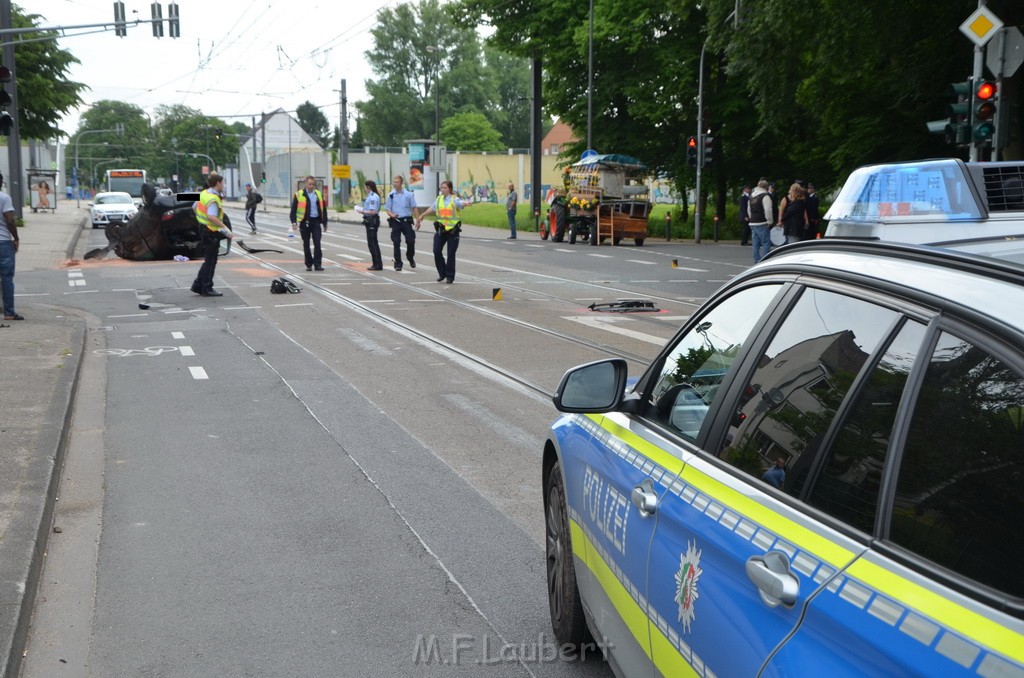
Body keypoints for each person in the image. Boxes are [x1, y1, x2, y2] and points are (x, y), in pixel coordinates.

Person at [415, 180, 471, 284]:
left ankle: (450, 276)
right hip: (441, 230)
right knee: (436, 250)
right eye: (441, 187)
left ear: (450, 189)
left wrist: (465, 203)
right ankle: (442, 273)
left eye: (445, 188)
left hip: (452, 231)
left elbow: (460, 203)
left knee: (451, 253)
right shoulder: (439, 199)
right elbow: (432, 209)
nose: (443, 189)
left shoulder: (454, 199)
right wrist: (422, 215)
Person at [190, 173, 233, 297]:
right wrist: (224, 227)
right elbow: (211, 216)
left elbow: (194, 207)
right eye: (223, 182)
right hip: (211, 232)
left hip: (204, 229)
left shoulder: (204, 194)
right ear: (218, 183)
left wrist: (201, 221)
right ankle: (206, 287)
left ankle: (198, 284)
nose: (223, 185)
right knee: (211, 261)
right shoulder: (213, 199)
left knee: (208, 260)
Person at [290, 176, 328, 271]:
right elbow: (293, 210)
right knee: (306, 244)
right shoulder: (299, 194)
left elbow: (323, 209)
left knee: (317, 243)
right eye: (310, 184)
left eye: (313, 184)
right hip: (304, 222)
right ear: (306, 184)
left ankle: (318, 264)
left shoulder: (318, 194)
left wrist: (325, 223)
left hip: (316, 222)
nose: (311, 186)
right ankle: (309, 264)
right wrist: (294, 222)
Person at [0, 173, 21, 321]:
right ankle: (9, 313)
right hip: (3, 242)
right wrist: (16, 238)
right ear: (1, 182)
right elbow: (10, 221)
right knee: (6, 278)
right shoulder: (4, 198)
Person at [384, 175, 417, 271]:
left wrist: (418, 220)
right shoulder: (391, 195)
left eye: (397, 182)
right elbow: (388, 209)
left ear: (401, 183)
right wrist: (392, 215)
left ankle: (410, 257)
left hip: (406, 221)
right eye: (394, 182)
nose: (395, 184)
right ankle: (398, 263)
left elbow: (414, 207)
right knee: (396, 242)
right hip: (396, 221)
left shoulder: (408, 194)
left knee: (411, 241)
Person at [359, 180, 383, 270]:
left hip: (372, 221)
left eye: (365, 187)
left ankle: (377, 264)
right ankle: (376, 263)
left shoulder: (373, 197)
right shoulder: (370, 196)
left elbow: (373, 211)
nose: (364, 189)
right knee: (372, 243)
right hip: (369, 221)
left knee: (372, 243)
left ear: (368, 187)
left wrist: (362, 211)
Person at [748, 180, 773, 264]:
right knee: (766, 242)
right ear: (766, 187)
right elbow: (768, 210)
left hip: (753, 222)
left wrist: (751, 218)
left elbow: (749, 210)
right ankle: (765, 261)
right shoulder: (765, 196)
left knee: (755, 244)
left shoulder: (751, 196)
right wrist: (770, 221)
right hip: (762, 222)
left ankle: (757, 260)